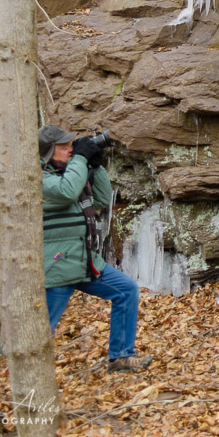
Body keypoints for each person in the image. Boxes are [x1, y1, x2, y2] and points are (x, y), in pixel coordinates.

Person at [38, 124, 152, 373]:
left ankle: (121, 356)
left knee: (126, 290)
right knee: (43, 326)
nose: (70, 150)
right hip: (57, 265)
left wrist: (95, 165)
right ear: (48, 152)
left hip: (84, 261)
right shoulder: (40, 179)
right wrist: (80, 157)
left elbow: (101, 198)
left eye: (72, 145)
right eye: (64, 146)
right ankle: (30, 374)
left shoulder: (71, 173)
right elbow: (67, 192)